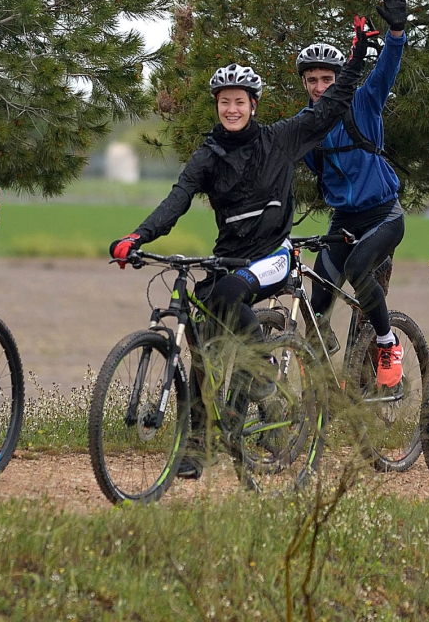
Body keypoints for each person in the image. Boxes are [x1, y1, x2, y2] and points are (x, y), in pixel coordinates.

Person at [108, 23, 373, 479]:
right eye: (224, 102)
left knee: (230, 294)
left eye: (239, 102)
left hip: (273, 254)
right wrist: (138, 236)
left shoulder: (280, 139)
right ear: (217, 107)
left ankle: (262, 366)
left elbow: (330, 106)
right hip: (227, 255)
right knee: (201, 346)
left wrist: (359, 54)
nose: (231, 109)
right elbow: (178, 197)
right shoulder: (208, 154)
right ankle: (198, 443)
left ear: (253, 106)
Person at [297, 0, 408, 388]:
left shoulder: (364, 101)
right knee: (316, 305)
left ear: (338, 78)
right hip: (343, 220)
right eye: (313, 80)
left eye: (327, 78)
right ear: (305, 83)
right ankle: (331, 400)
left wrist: (396, 32)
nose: (320, 86)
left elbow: (387, 67)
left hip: (383, 215)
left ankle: (387, 341)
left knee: (361, 268)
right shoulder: (306, 126)